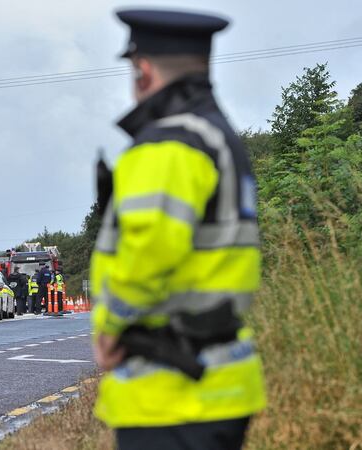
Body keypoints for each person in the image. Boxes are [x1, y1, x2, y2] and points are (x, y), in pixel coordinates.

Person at [90, 8, 266, 450]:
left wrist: (111, 326)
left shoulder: (169, 143)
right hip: (218, 382)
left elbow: (150, 248)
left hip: (171, 392)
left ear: (143, 70)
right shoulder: (217, 136)